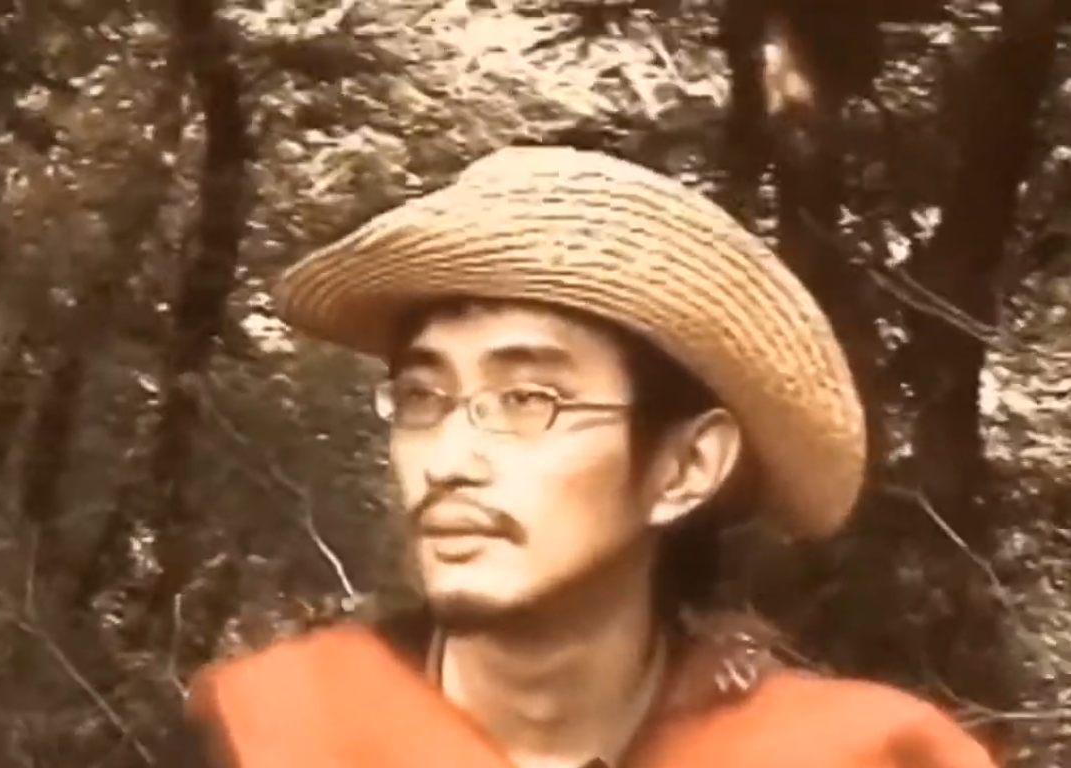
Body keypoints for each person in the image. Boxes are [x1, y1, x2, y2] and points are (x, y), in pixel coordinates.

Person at [173, 147, 1000, 768]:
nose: (449, 459)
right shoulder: (276, 731)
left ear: (686, 468)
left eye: (529, 400)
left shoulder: (852, 755)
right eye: (423, 398)